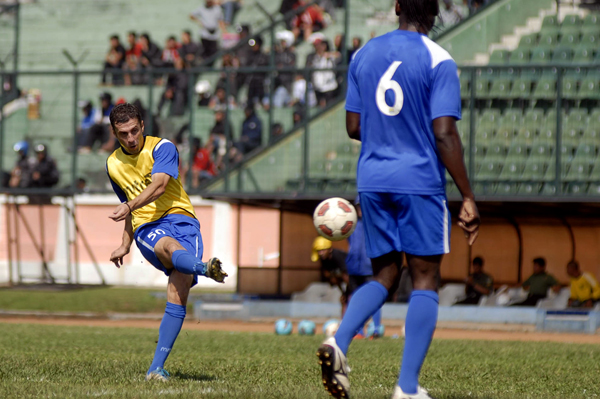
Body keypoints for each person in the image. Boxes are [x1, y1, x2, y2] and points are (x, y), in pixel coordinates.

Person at [316, 1, 480, 399]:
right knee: (425, 278)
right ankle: (407, 388)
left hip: (372, 180)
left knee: (384, 276)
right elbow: (444, 133)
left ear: (396, 8)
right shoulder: (439, 59)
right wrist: (468, 195)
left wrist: (385, 134)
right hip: (418, 180)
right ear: (436, 12)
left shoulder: (363, 54)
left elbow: (354, 125)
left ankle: (338, 341)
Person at [106, 103, 228, 381]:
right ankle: (203, 267)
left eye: (135, 131)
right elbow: (128, 203)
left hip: (182, 218)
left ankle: (155, 369)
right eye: (123, 133)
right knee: (167, 247)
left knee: (179, 290)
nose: (131, 138)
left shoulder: (163, 147)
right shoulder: (112, 164)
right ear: (114, 133)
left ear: (143, 126)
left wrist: (128, 206)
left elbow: (159, 185)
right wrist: (125, 243)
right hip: (148, 226)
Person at [345, 196, 383, 337]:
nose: (360, 209)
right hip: (354, 268)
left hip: (369, 268)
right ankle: (358, 330)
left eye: (363, 206)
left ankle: (376, 329)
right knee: (355, 299)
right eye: (358, 207)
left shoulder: (374, 224)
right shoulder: (351, 225)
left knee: (373, 299)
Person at [311, 236, 349, 311]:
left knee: (349, 299)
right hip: (346, 280)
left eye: (322, 250)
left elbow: (347, 278)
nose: (320, 253)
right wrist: (343, 292)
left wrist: (346, 293)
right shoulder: (324, 260)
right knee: (344, 300)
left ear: (329, 249)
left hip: (356, 277)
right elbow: (333, 278)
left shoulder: (338, 257)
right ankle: (343, 321)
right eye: (318, 251)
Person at [190, 0, 226, 66]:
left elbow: (221, 21)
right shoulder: (201, 9)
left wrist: (224, 31)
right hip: (205, 34)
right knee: (205, 50)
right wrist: (199, 22)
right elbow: (191, 15)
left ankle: (210, 65)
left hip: (214, 34)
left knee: (213, 51)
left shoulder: (217, 9)